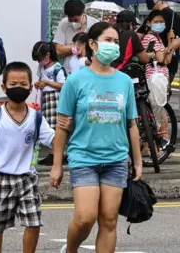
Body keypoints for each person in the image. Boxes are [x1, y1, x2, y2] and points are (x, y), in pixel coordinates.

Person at [50, 22, 143, 253]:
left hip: (116, 159)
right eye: (107, 40)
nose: (113, 45)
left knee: (109, 220)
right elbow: (62, 127)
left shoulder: (124, 82)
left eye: (115, 42)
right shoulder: (75, 81)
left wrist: (138, 161)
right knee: (85, 218)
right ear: (92, 44)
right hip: (83, 158)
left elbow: (131, 123)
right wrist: (56, 165)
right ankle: (70, 250)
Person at [0, 62, 55, 253]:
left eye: (22, 84)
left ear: (30, 86)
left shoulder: (36, 117)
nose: (18, 88)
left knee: (34, 221)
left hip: (26, 178)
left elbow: (53, 140)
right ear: (3, 87)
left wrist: (68, 127)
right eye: (13, 84)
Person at [140, 10, 173, 150]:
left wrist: (169, 42)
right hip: (154, 78)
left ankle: (152, 147)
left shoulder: (159, 38)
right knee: (156, 112)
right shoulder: (150, 38)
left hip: (160, 78)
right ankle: (153, 146)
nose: (159, 24)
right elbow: (161, 60)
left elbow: (168, 60)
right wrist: (168, 47)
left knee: (158, 111)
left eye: (162, 22)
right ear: (149, 23)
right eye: (156, 21)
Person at [32, 42, 66, 166]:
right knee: (49, 126)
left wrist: (46, 83)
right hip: (46, 98)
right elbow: (42, 81)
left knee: (55, 126)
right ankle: (57, 153)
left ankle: (57, 154)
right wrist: (39, 84)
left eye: (40, 59)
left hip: (55, 98)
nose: (39, 62)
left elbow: (63, 84)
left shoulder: (57, 68)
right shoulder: (41, 68)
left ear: (48, 55)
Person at [53, 0, 99, 74]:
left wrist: (68, 47)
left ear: (83, 13)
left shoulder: (95, 24)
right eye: (70, 19)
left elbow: (97, 49)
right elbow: (58, 50)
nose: (72, 22)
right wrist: (80, 46)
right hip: (69, 70)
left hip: (90, 71)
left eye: (75, 19)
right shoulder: (64, 23)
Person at [144, 0, 180, 83]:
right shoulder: (154, 15)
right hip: (154, 69)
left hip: (163, 68)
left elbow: (164, 60)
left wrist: (170, 44)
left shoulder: (172, 16)